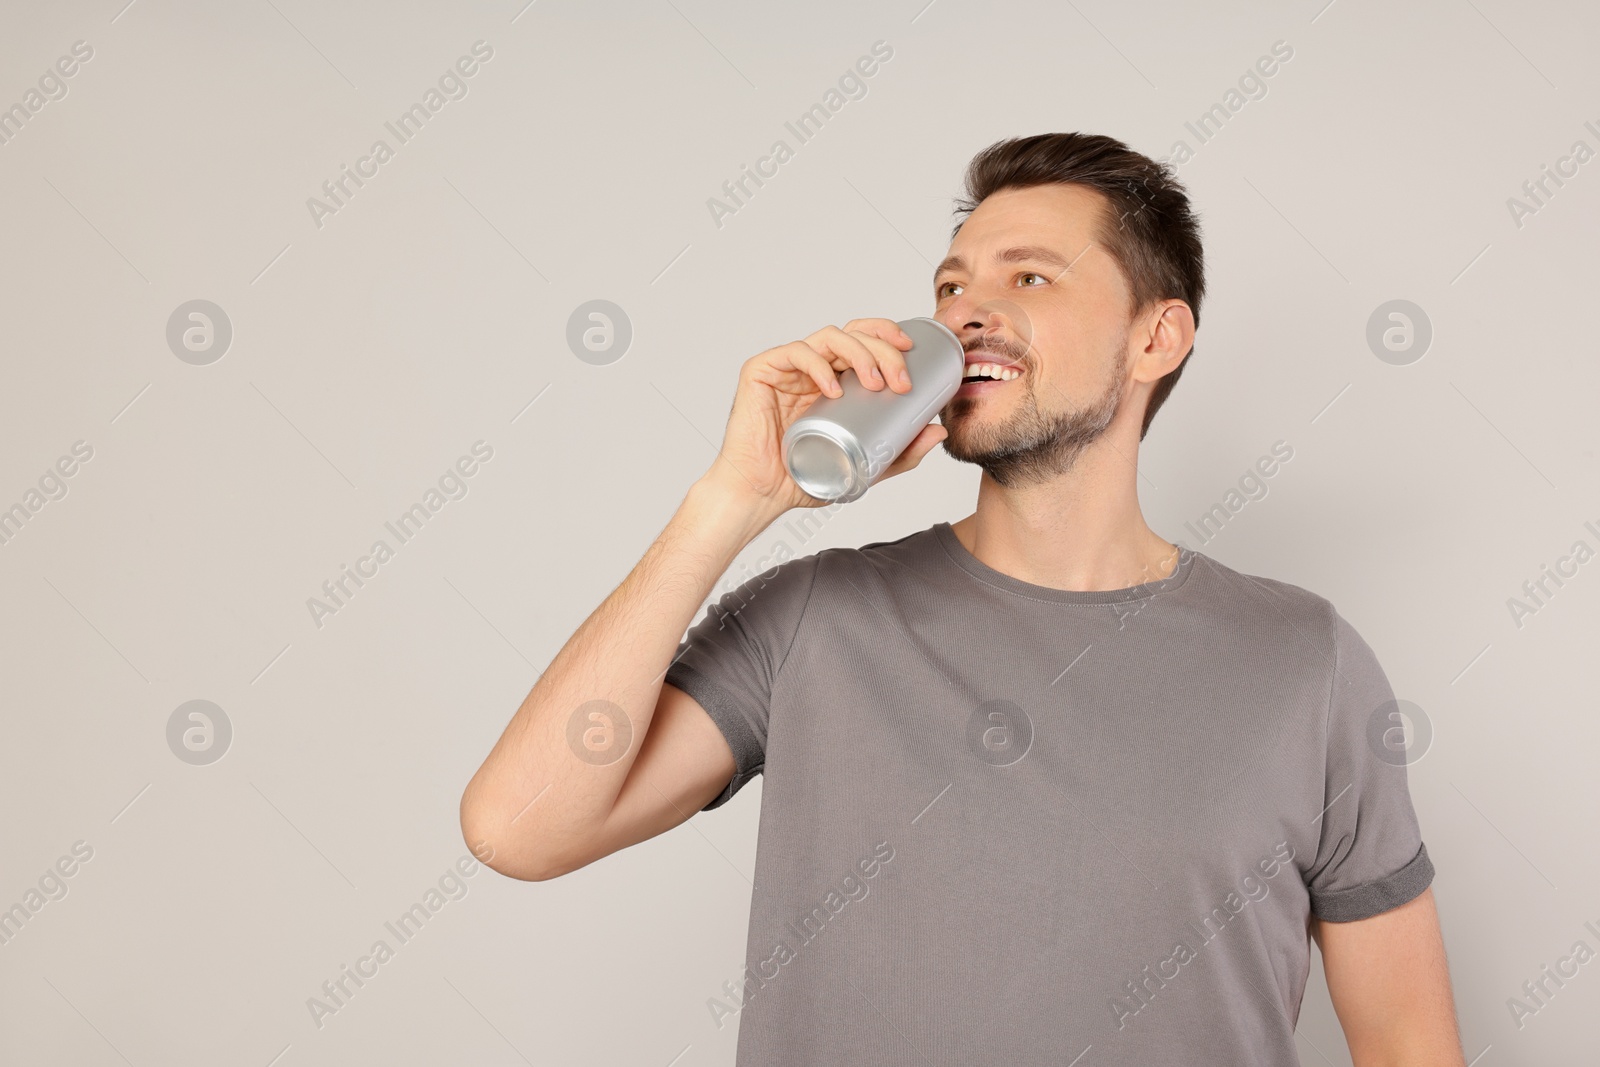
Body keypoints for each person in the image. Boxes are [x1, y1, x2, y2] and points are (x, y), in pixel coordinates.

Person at [459, 132, 1466, 1064]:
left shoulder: (1304, 659)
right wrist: (731, 502)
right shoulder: (818, 617)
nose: (963, 309)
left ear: (1156, 336)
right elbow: (517, 827)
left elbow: (1409, 1044)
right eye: (950, 284)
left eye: (1027, 274)